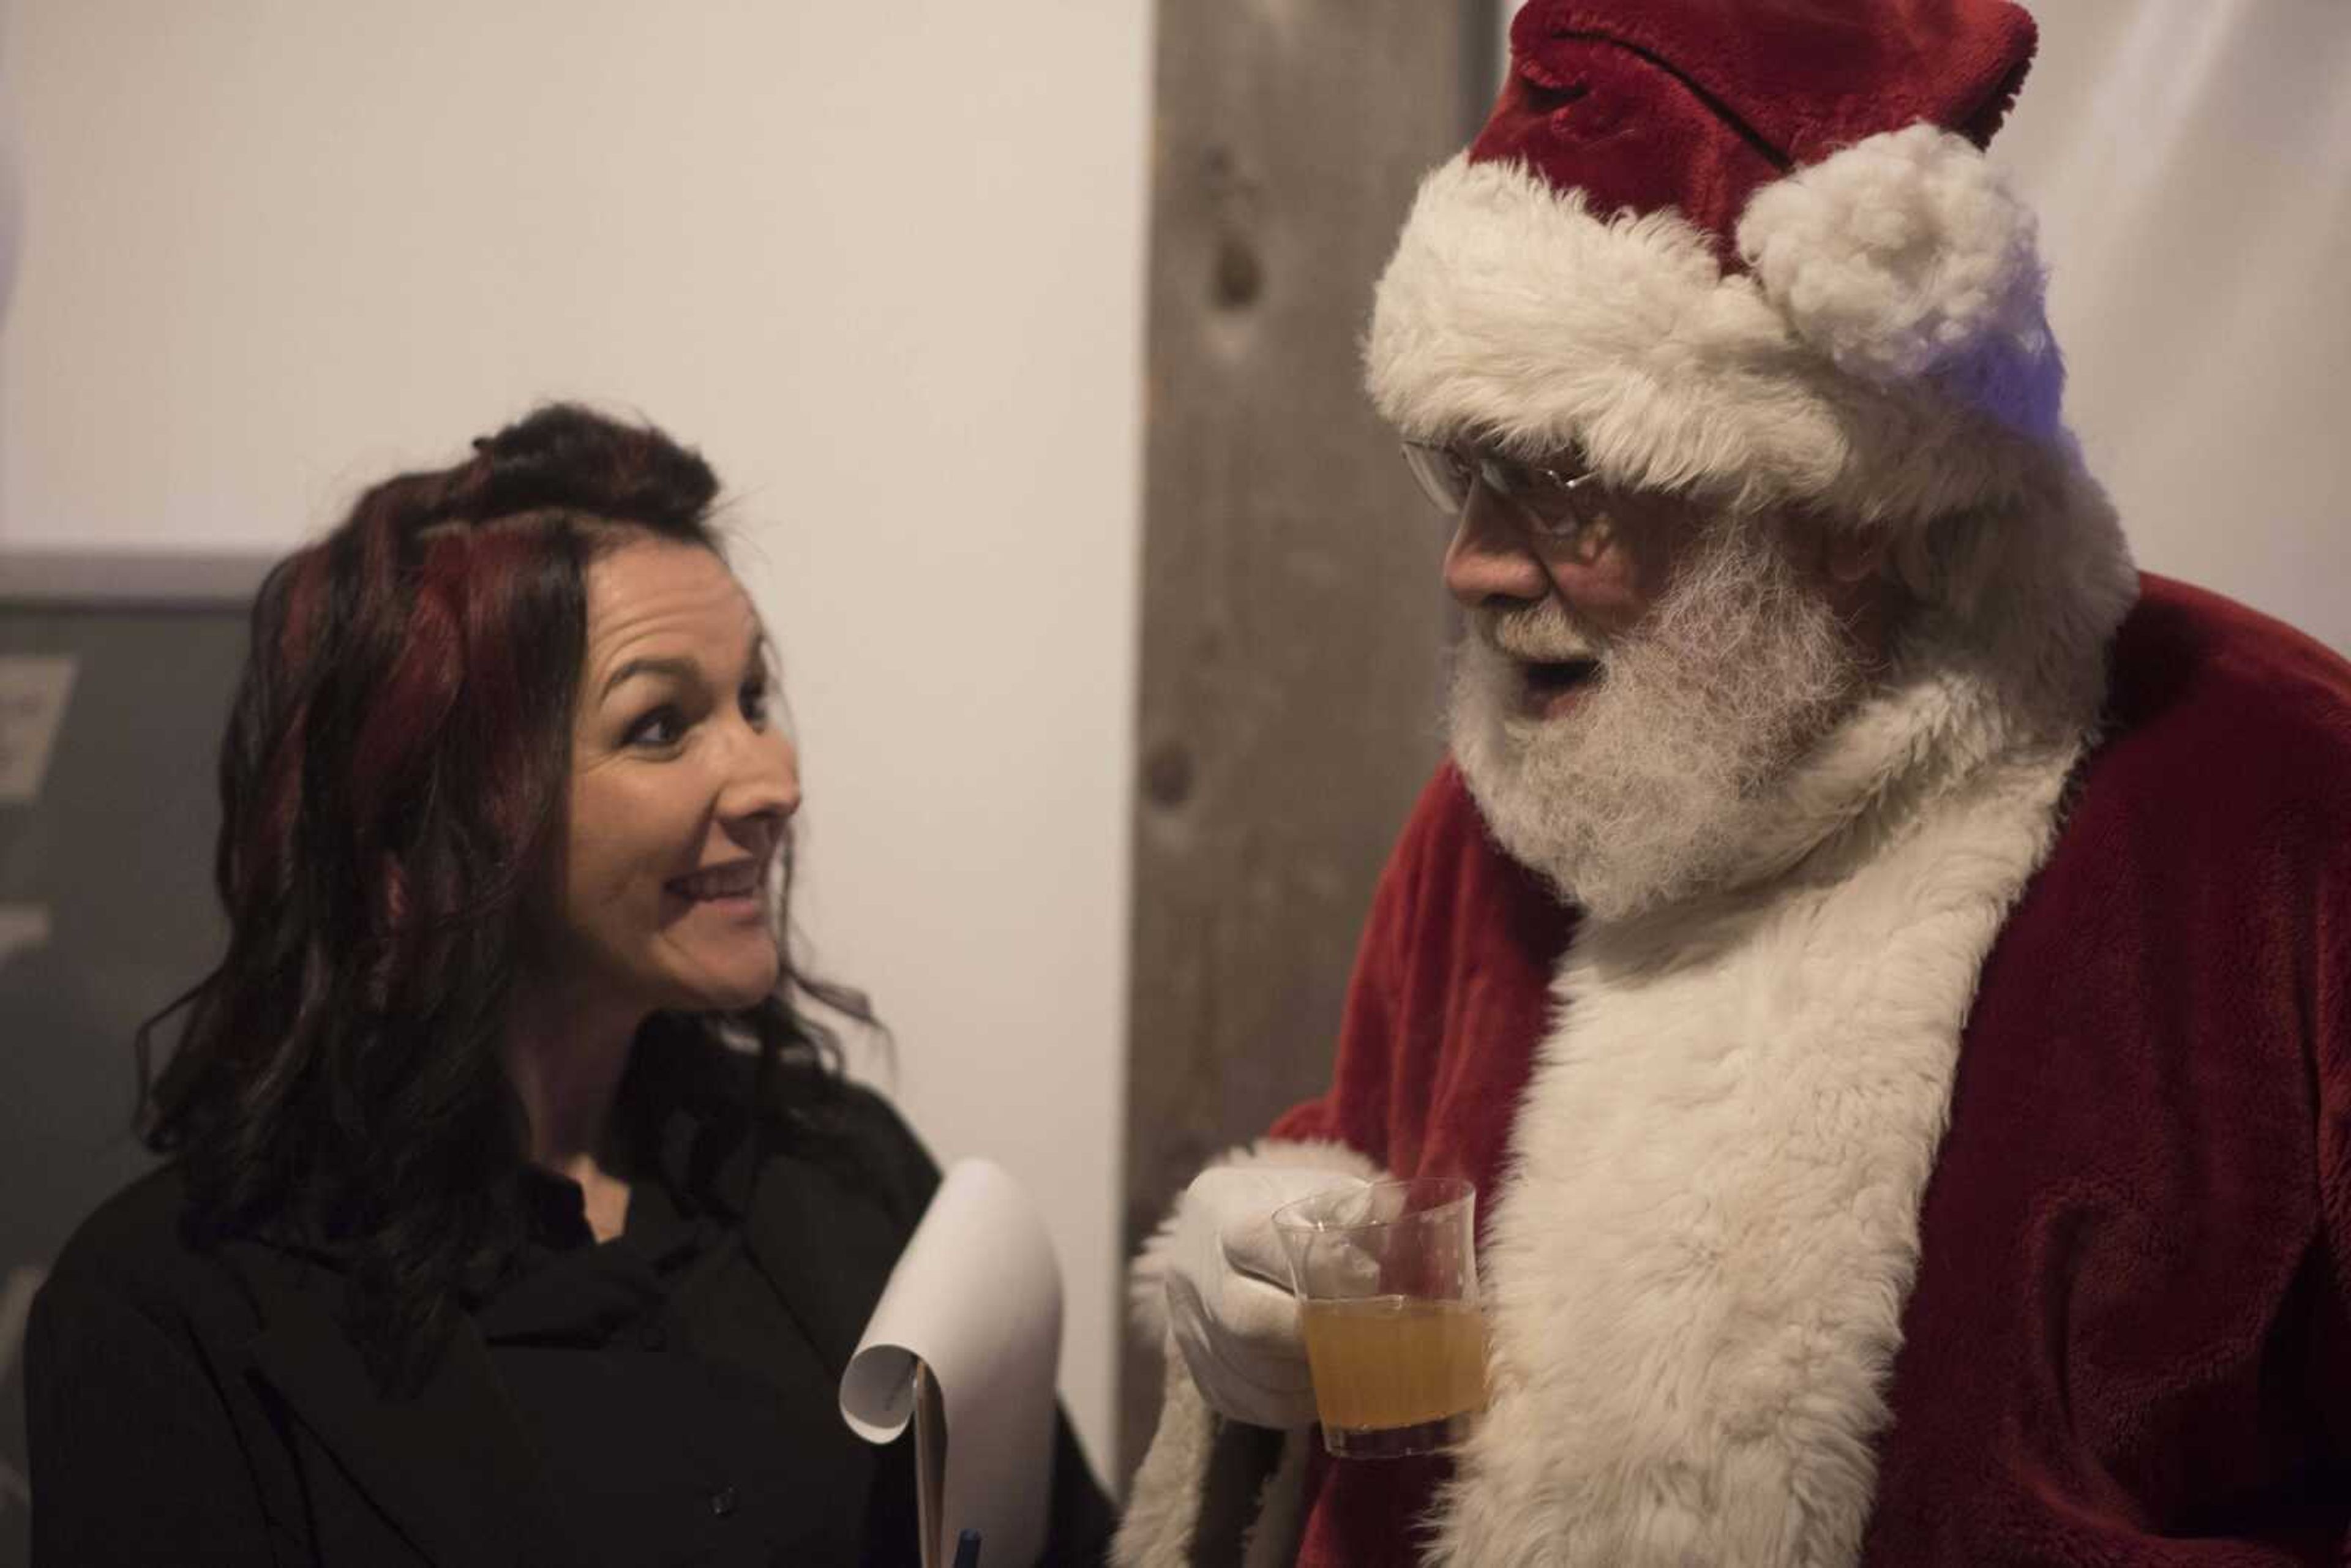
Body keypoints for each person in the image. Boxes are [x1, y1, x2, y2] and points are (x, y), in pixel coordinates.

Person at [1119, 1, 2351, 1564]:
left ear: (1842, 489)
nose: (1474, 563)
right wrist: (1255, 1303)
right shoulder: (1501, 811)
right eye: (1460, 467)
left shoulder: (2274, 805)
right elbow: (1378, 1160)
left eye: (1561, 478)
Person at [26, 405, 1114, 1566]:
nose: (772, 778)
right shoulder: (172, 1315)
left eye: (752, 699)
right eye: (661, 725)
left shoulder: (844, 1170)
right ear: (423, 828)